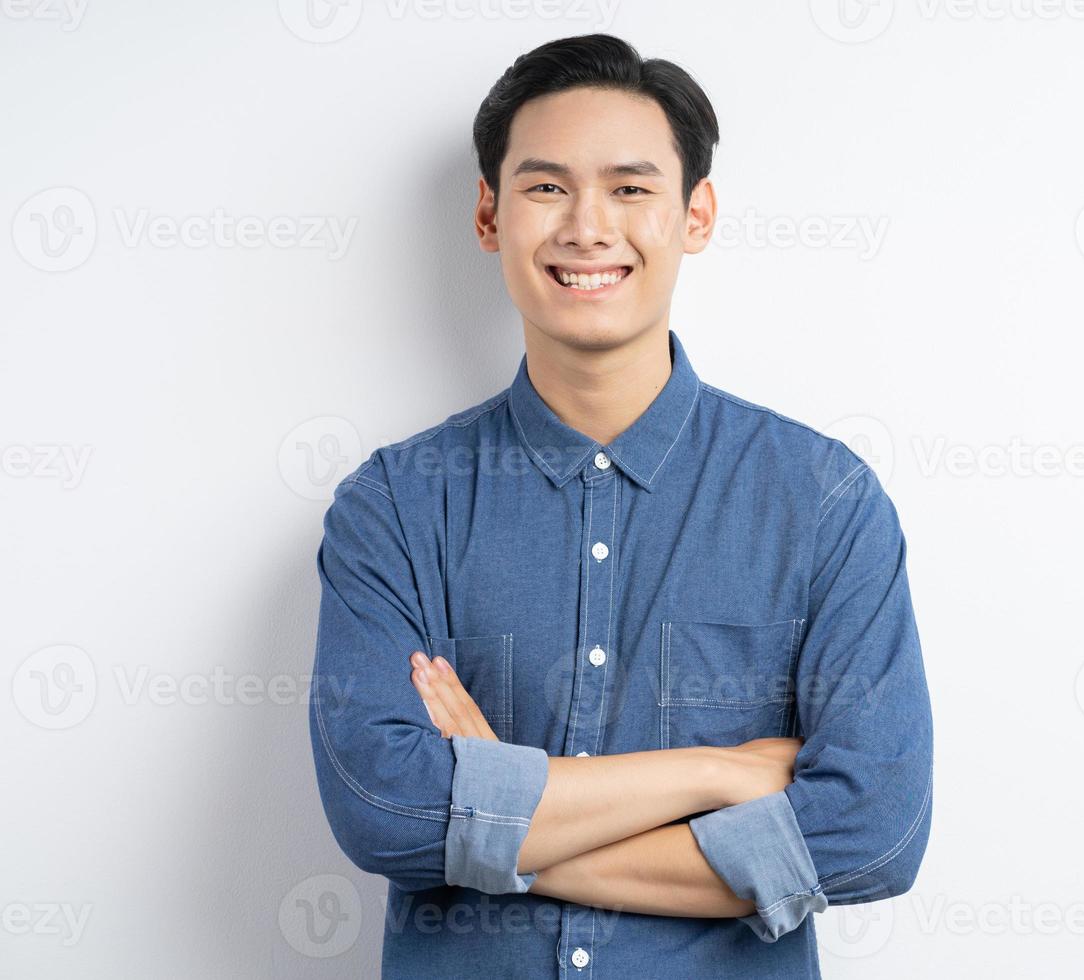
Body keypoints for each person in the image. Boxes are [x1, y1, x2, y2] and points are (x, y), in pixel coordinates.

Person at [308, 32, 933, 979]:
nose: (587, 227)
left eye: (631, 189)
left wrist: (495, 826)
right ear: (489, 213)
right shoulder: (396, 505)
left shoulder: (824, 501)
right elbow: (385, 811)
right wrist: (715, 775)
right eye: (547, 187)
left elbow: (872, 836)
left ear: (695, 214)